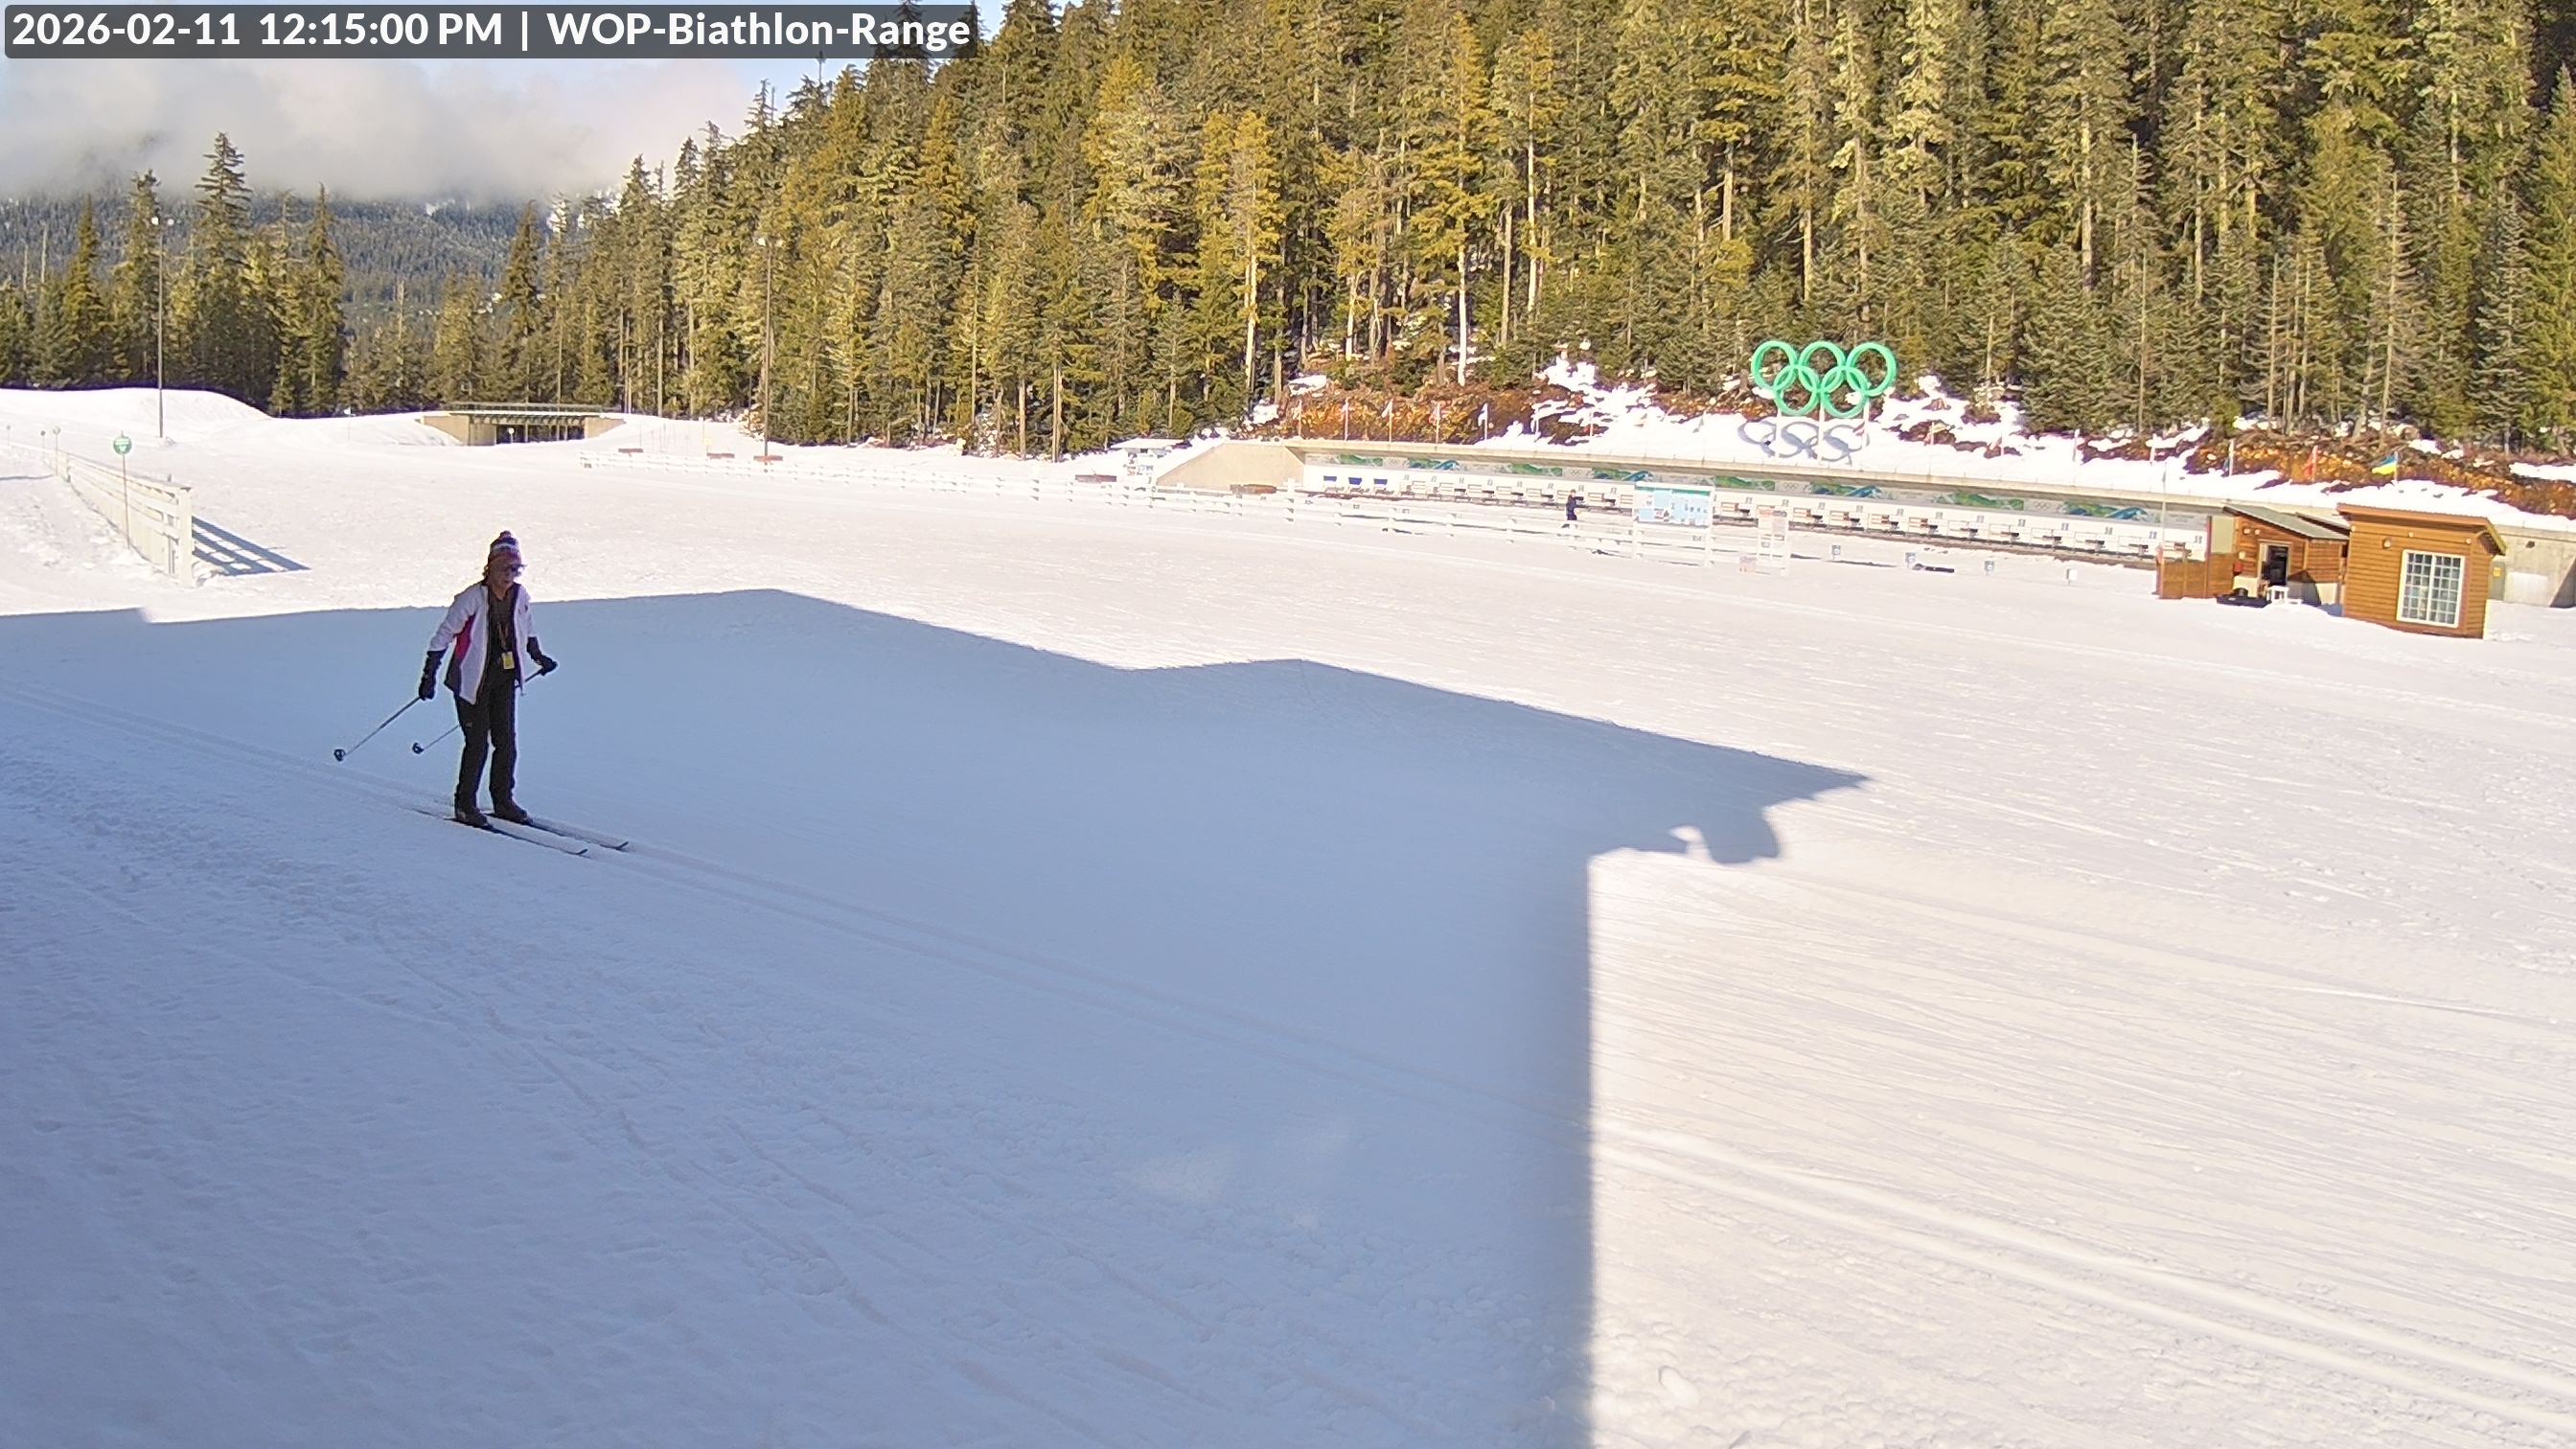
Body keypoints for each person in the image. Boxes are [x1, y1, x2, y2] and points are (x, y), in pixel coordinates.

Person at [420, 532, 557, 826]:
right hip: (471, 681)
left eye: (515, 569)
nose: (509, 575)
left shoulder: (520, 595)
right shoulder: (471, 597)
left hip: (504, 678)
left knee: (506, 742)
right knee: (477, 743)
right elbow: (444, 634)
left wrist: (538, 656)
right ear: (490, 568)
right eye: (504, 568)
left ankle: (503, 800)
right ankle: (465, 805)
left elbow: (527, 627)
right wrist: (429, 674)